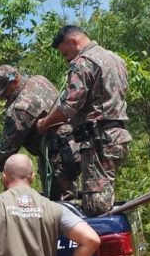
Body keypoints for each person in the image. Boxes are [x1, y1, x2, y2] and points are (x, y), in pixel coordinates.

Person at [36, 26, 132, 217]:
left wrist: (44, 123)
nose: (67, 59)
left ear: (74, 41)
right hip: (118, 136)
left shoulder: (83, 63)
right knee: (105, 196)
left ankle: (99, 245)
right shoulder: (116, 59)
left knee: (96, 206)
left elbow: (68, 106)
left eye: (65, 53)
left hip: (99, 140)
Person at [0, 64, 80, 202]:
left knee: (59, 206)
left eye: (4, 91)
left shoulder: (21, 108)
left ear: (14, 82)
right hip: (70, 147)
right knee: (66, 199)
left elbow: (6, 150)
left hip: (56, 156)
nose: (3, 97)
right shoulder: (39, 80)